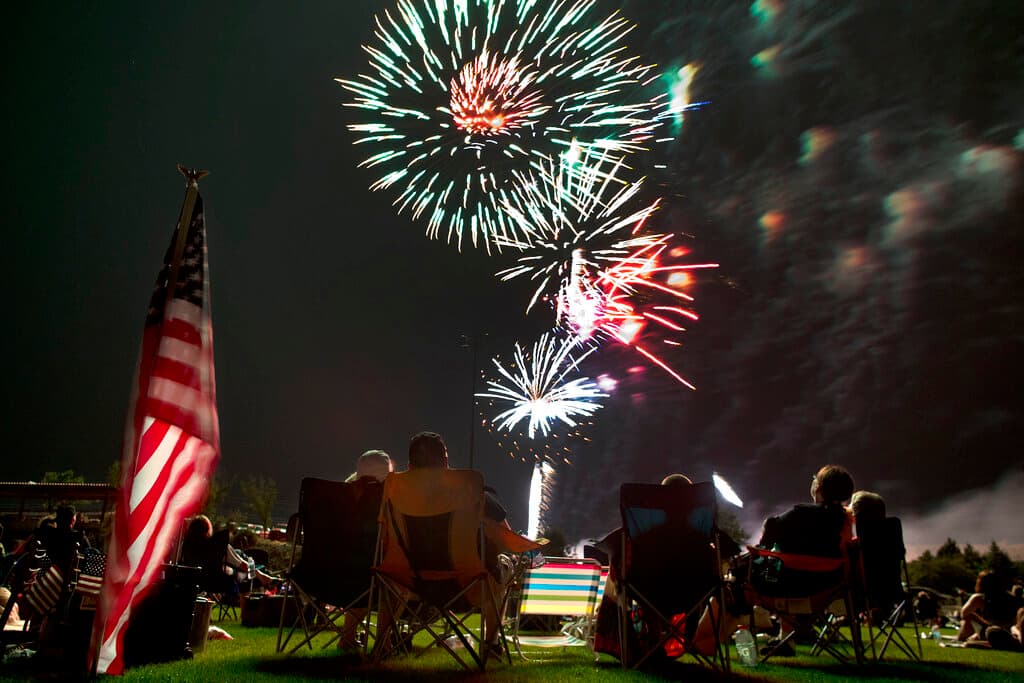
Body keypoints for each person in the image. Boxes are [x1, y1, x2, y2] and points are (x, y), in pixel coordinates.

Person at [957, 570, 1024, 650]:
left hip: (991, 632)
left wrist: (979, 620)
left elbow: (963, 614)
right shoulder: (1010, 597)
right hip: (1010, 633)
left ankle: (963, 638)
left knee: (969, 617)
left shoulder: (979, 598)